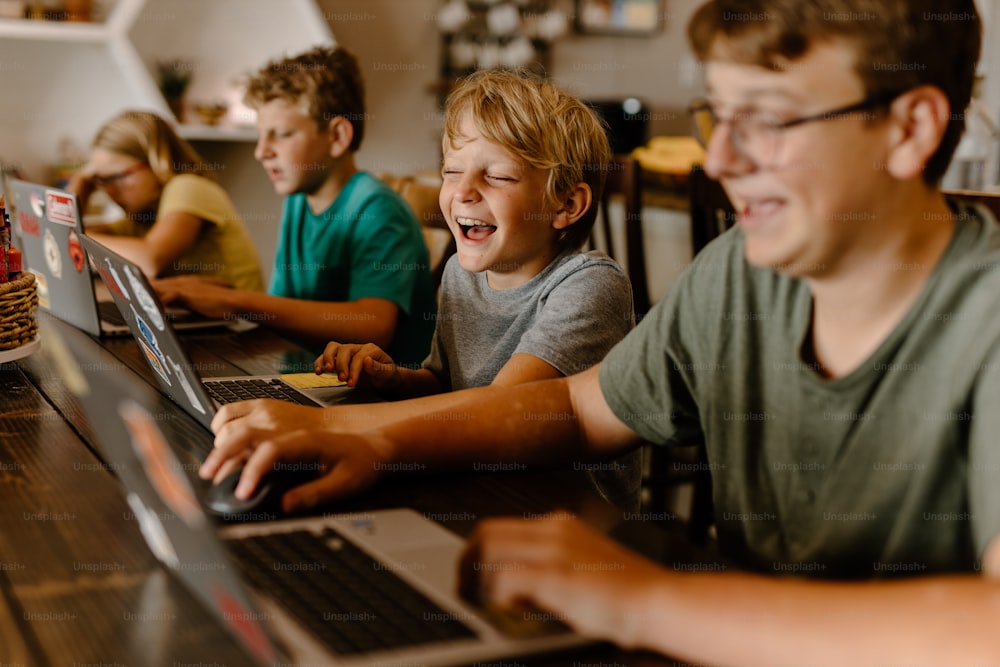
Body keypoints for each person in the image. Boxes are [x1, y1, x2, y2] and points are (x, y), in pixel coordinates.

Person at [200, 0, 1000, 663]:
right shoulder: (738, 274)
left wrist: (645, 595)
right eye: (718, 115)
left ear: (910, 128)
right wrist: (368, 435)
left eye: (766, 119)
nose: (719, 158)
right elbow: (579, 408)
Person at [205, 68, 639, 507]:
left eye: (499, 176)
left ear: (566, 205)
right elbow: (446, 384)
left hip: (566, 516)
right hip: (474, 483)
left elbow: (498, 410)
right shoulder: (460, 274)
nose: (463, 192)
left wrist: (321, 424)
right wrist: (394, 378)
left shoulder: (587, 285)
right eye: (452, 171)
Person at [154, 46, 437, 366]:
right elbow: (284, 307)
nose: (261, 152)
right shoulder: (298, 201)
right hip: (307, 376)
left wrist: (239, 301)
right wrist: (203, 290)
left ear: (337, 137)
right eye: (261, 136)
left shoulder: (377, 209)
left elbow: (373, 326)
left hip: (374, 398)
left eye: (282, 135)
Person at [68, 110, 264, 292]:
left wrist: (72, 237)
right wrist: (81, 183)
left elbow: (150, 261)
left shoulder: (189, 186)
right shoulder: (144, 214)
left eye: (117, 177)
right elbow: (77, 234)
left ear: (156, 160)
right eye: (101, 181)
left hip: (243, 325)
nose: (110, 191)